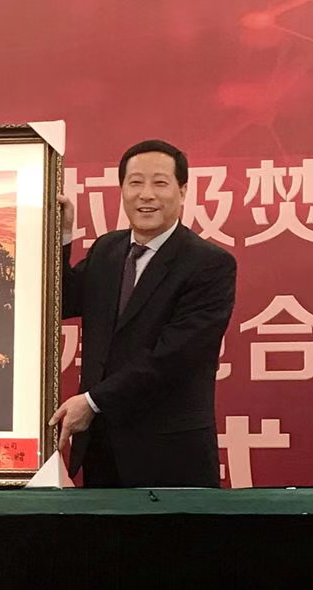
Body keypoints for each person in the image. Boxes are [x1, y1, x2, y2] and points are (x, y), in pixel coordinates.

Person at [49, 139, 236, 488]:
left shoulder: (209, 264)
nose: (146, 194)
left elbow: (174, 358)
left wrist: (92, 402)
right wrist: (59, 235)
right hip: (102, 449)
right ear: (122, 190)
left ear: (182, 191)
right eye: (135, 182)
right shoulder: (107, 249)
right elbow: (60, 302)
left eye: (160, 183)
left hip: (170, 455)